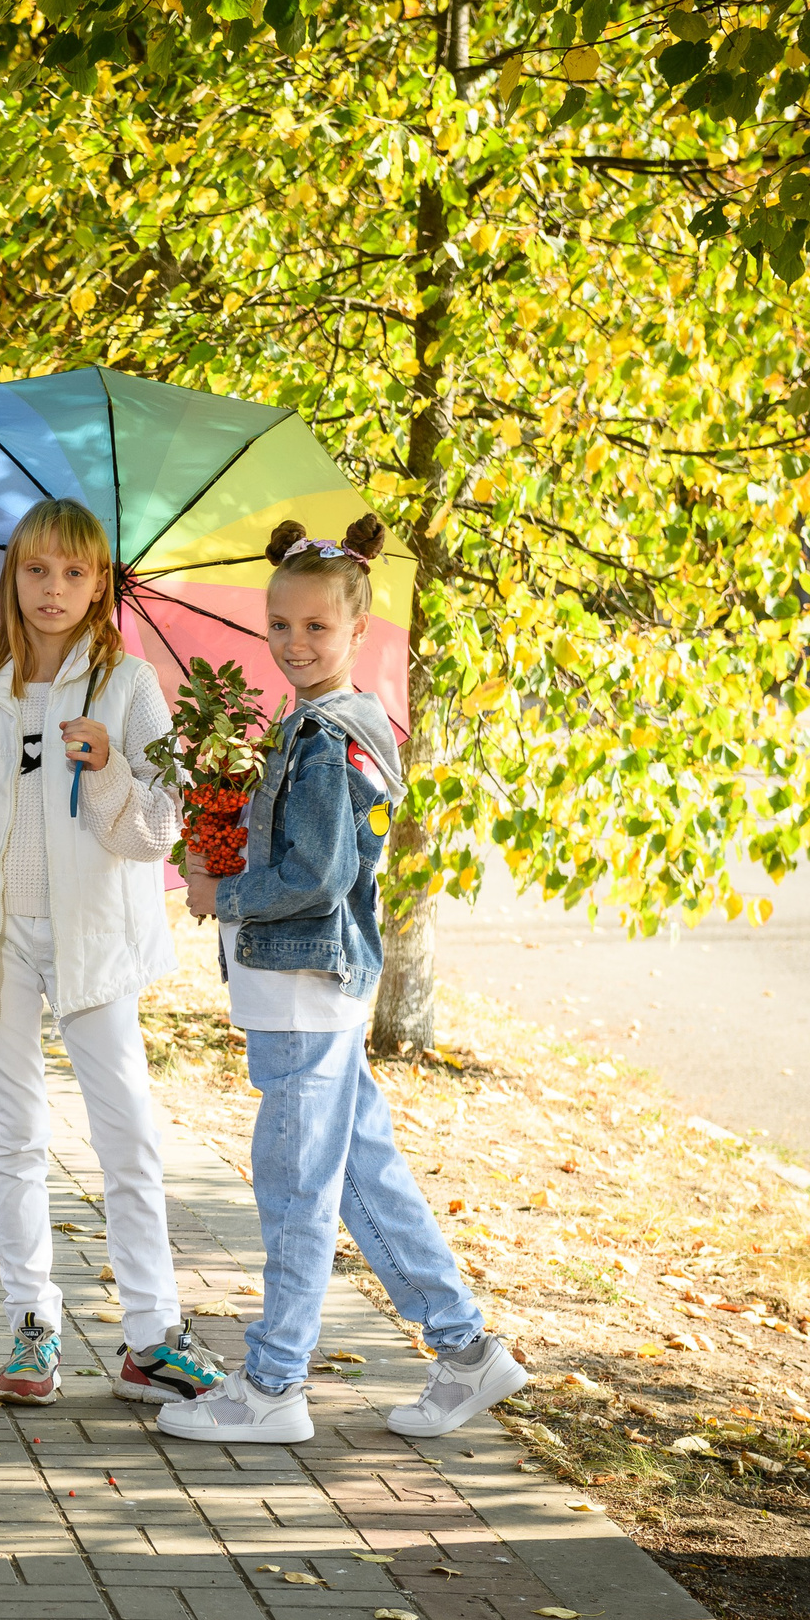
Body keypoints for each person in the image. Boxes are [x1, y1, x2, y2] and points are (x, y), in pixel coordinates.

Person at [162, 517, 526, 1444]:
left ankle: (274, 1384)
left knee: (295, 1187)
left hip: (305, 987)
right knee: (361, 1175)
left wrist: (225, 890)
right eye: (279, 624)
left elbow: (315, 878)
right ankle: (468, 1350)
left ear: (358, 632)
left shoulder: (325, 735)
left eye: (315, 628)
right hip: (313, 986)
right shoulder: (318, 723)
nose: (293, 642)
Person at [0, 498, 228, 1409]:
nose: (53, 589)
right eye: (36, 570)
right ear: (12, 577)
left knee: (127, 1134)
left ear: (101, 587)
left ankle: (149, 1336)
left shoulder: (128, 688)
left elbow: (159, 836)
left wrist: (111, 768)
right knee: (17, 1138)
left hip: (95, 946)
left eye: (75, 573)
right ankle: (32, 1326)